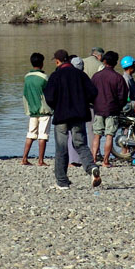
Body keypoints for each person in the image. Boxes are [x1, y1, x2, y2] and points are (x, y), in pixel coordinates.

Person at [43, 49, 102, 190]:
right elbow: (93, 92)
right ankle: (91, 167)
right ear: (68, 60)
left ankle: (62, 181)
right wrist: (82, 102)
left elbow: (49, 97)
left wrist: (57, 105)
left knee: (61, 148)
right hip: (79, 114)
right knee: (81, 144)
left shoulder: (55, 76)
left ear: (57, 61)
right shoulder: (80, 74)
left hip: (62, 116)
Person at [90, 51, 129, 167]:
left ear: (104, 61)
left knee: (97, 135)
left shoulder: (96, 76)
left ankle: (93, 159)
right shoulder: (118, 78)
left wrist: (95, 103)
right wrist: (118, 106)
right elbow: (123, 96)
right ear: (115, 63)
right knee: (109, 136)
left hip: (98, 109)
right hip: (112, 110)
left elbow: (91, 93)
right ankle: (105, 161)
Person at [21, 52, 51, 166]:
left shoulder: (27, 77)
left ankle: (24, 158)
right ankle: (40, 160)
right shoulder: (44, 78)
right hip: (44, 110)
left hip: (32, 110)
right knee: (43, 135)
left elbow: (25, 94)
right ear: (42, 63)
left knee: (30, 134)